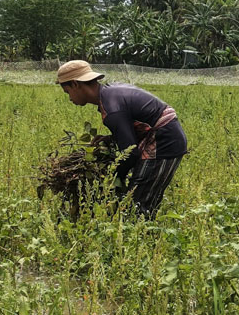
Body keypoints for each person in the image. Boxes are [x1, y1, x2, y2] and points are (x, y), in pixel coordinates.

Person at [57, 60, 187, 218]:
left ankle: (142, 236)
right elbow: (134, 128)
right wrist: (111, 139)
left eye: (67, 92)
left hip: (164, 140)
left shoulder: (111, 109)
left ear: (76, 84)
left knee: (137, 204)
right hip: (165, 136)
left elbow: (130, 153)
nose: (70, 98)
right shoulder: (109, 93)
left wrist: (113, 177)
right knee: (142, 199)